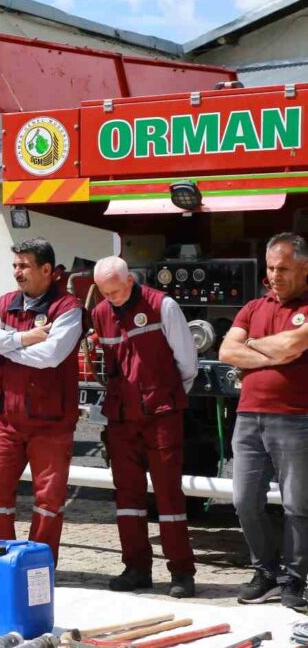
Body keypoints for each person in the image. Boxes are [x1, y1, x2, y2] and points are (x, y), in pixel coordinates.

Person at [91, 256, 197, 598]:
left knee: (168, 495)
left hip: (160, 413)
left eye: (117, 291)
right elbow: (109, 365)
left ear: (131, 282)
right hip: (122, 417)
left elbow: (186, 363)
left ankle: (181, 572)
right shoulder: (101, 313)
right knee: (127, 497)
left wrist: (165, 396)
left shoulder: (162, 305)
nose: (112, 298)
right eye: (105, 293)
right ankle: (136, 567)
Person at [0, 238, 82, 561]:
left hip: (51, 423)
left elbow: (49, 355)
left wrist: (4, 344)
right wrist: (23, 338)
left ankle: (39, 565)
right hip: (6, 419)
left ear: (46, 270)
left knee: (48, 502)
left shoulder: (69, 308)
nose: (17, 272)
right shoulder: (5, 302)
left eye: (24, 266)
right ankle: (4, 562)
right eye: (15, 265)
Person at [219, 232, 308, 612]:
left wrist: (253, 345)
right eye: (271, 268)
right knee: (244, 501)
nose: (274, 275)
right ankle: (266, 572)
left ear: (305, 268)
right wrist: (277, 349)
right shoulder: (253, 306)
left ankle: (296, 579)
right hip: (248, 417)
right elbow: (226, 351)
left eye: (283, 268)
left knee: (297, 505)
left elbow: (293, 345)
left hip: (295, 419)